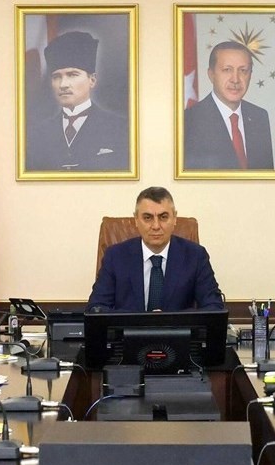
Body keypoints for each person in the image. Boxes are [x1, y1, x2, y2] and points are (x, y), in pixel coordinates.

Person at [87, 186, 224, 312]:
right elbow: (96, 308)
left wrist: (170, 320)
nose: (156, 226)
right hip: (128, 331)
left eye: (163, 217)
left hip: (178, 331)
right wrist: (141, 321)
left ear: (174, 218)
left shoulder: (195, 256)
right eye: (147, 218)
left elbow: (214, 307)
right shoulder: (115, 256)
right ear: (136, 220)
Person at [25, 30, 130, 172]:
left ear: (92, 80)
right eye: (56, 77)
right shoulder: (37, 134)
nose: (63, 84)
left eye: (72, 75)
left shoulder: (120, 128)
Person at [183, 40, 274, 171]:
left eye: (243, 70)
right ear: (211, 75)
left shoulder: (259, 117)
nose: (235, 79)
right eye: (227, 70)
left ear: (250, 75)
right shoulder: (189, 121)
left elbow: (267, 178)